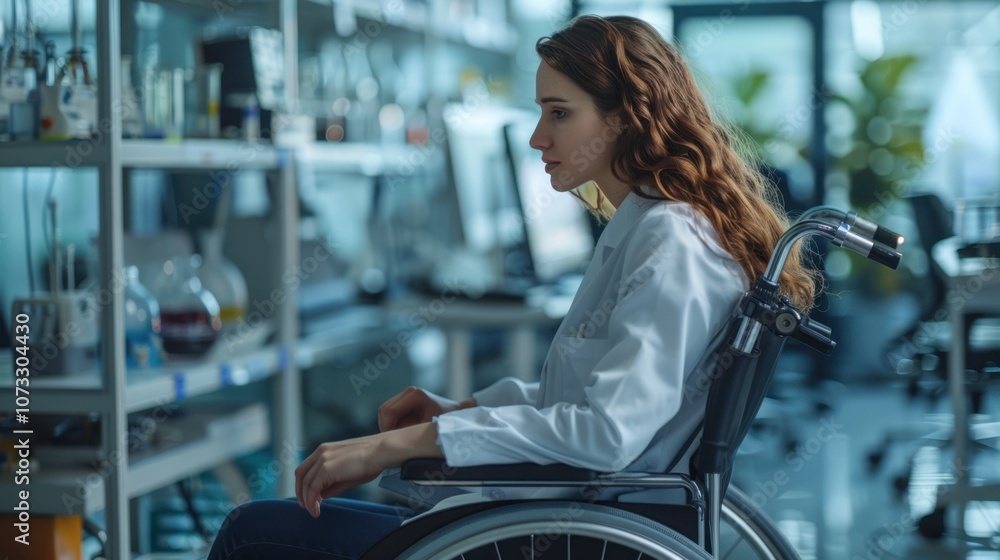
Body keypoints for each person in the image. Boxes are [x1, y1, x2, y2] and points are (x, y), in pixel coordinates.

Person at [207, 14, 816, 559]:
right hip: (566, 515)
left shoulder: (671, 239)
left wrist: (396, 446)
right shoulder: (653, 225)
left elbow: (606, 432)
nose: (536, 137)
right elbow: (585, 399)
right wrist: (460, 412)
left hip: (572, 533)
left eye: (559, 113)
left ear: (625, 117)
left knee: (254, 531)